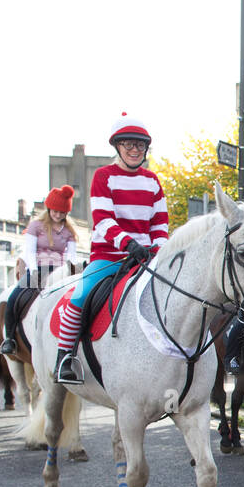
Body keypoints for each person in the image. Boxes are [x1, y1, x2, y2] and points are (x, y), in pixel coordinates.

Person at [53, 114, 167, 382]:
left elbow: (160, 224)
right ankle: (65, 357)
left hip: (147, 260)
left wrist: (158, 250)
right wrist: (129, 244)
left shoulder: (153, 181)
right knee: (80, 296)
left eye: (140, 145)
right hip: (110, 257)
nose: (134, 149)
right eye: (128, 143)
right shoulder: (104, 176)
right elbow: (103, 220)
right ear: (117, 146)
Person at [0, 186, 81, 355]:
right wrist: (34, 271)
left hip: (59, 270)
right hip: (38, 268)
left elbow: (71, 255)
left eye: (62, 212)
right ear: (49, 208)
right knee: (15, 297)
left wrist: (74, 271)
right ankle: (9, 339)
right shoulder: (36, 226)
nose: (58, 215)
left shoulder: (69, 231)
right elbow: (29, 251)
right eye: (55, 211)